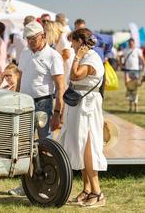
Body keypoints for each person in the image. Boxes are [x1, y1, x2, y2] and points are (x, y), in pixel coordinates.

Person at [9, 21, 65, 196]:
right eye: (28, 39)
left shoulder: (53, 56)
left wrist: (57, 113)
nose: (31, 42)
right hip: (24, 103)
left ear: (43, 36)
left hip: (43, 103)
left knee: (45, 145)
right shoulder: (25, 53)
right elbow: (20, 77)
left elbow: (60, 87)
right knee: (25, 145)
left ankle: (50, 184)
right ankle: (27, 185)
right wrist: (15, 98)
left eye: (34, 38)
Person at [57, 28, 107, 208]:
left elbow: (75, 75)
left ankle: (97, 193)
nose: (71, 45)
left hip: (88, 108)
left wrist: (76, 57)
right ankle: (87, 190)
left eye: (73, 41)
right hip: (79, 106)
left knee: (88, 147)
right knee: (80, 145)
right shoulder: (87, 56)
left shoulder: (91, 58)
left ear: (80, 41)